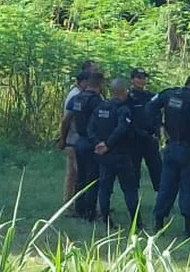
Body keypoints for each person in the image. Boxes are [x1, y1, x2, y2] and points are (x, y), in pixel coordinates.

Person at [149, 75, 190, 236]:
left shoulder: (168, 94)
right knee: (188, 189)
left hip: (170, 148)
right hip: (188, 150)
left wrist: (159, 126)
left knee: (166, 187)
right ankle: (189, 229)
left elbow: (150, 107)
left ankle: (158, 224)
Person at [88, 78, 137, 228]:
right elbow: (121, 129)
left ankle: (106, 221)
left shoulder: (100, 108)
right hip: (120, 155)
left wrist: (98, 143)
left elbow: (90, 128)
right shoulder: (123, 109)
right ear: (125, 91)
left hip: (103, 156)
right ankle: (137, 222)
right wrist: (107, 145)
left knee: (104, 188)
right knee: (129, 188)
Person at [56, 60, 99, 215]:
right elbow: (66, 119)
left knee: (74, 175)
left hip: (76, 140)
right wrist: (63, 139)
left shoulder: (83, 95)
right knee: (80, 174)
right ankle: (77, 206)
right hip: (73, 140)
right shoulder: (75, 95)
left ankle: (72, 205)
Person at [65, 71, 105, 221]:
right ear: (99, 84)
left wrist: (63, 138)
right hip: (92, 143)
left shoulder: (76, 98)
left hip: (78, 142)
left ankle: (79, 208)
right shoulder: (97, 102)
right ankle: (90, 212)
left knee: (80, 177)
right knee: (93, 178)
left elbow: (67, 119)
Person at [128, 68, 162, 193]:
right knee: (134, 172)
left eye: (143, 78)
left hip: (151, 140)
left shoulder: (152, 97)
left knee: (157, 169)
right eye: (138, 77)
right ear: (132, 80)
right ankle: (133, 201)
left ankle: (161, 201)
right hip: (134, 140)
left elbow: (158, 115)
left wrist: (158, 131)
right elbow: (128, 121)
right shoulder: (128, 98)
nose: (141, 80)